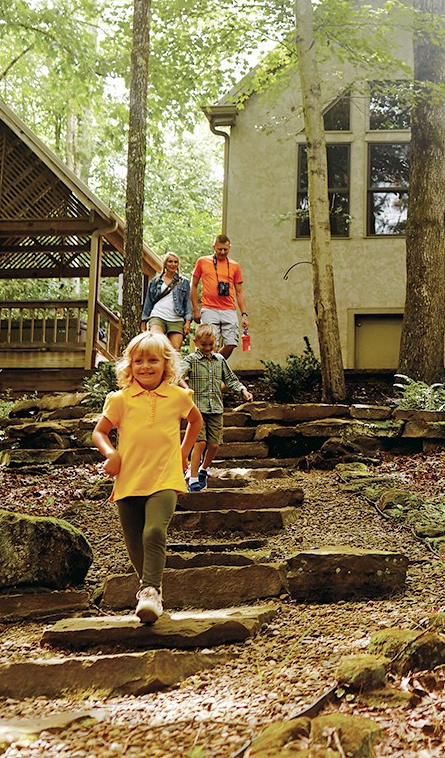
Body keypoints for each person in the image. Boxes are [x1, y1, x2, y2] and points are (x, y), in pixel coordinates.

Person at [91, 331, 203, 625]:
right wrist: (110, 455)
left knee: (153, 531)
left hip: (165, 477)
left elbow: (196, 420)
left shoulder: (178, 397)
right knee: (134, 542)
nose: (145, 366)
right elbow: (99, 432)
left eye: (153, 360)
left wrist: (183, 451)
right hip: (128, 479)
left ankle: (149, 590)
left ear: (166, 365)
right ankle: (152, 591)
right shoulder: (120, 400)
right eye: (138, 360)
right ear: (129, 365)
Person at [182, 323, 252, 491]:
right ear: (196, 342)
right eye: (203, 345)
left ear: (216, 342)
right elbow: (176, 375)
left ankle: (203, 470)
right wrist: (186, 389)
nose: (207, 348)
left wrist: (243, 391)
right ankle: (192, 479)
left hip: (215, 409)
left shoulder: (219, 360)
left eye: (211, 345)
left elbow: (231, 379)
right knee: (200, 443)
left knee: (213, 445)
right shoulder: (191, 360)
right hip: (197, 409)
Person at [191, 234, 248, 360]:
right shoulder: (202, 261)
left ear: (229, 248)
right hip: (209, 308)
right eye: (219, 249)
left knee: (231, 343)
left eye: (225, 249)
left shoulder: (235, 266)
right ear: (214, 247)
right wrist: (195, 309)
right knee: (209, 344)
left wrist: (244, 314)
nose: (222, 252)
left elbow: (239, 292)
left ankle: (215, 365)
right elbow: (193, 285)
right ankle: (210, 372)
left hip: (228, 309)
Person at [141, 252, 191, 350]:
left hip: (176, 318)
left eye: (176, 262)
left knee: (175, 349)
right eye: (170, 261)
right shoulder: (156, 281)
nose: (173, 264)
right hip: (158, 315)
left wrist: (188, 321)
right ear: (165, 264)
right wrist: (144, 320)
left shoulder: (183, 282)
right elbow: (149, 301)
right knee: (157, 343)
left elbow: (187, 302)